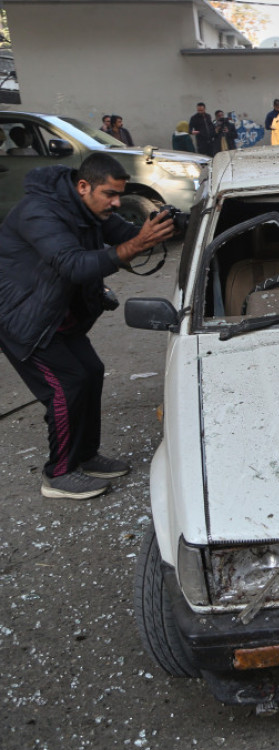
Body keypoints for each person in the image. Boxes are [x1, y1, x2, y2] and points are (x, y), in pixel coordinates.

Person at [0, 153, 176, 499]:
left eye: (118, 195)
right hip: (23, 318)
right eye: (110, 194)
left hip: (56, 313)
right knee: (66, 386)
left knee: (91, 372)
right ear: (84, 186)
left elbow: (129, 234)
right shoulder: (39, 212)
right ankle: (59, 474)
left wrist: (169, 225)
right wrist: (136, 244)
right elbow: (75, 265)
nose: (116, 202)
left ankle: (86, 455)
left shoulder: (92, 208)